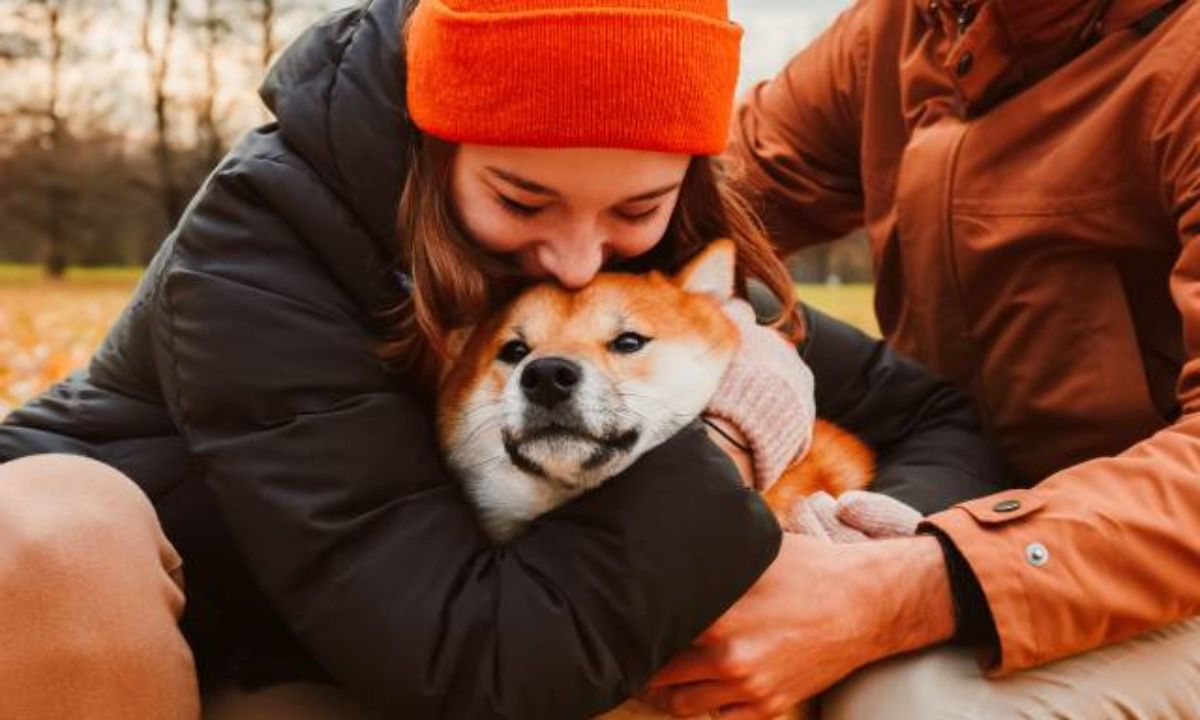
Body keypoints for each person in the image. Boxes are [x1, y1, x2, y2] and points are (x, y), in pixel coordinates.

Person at [0, 0, 1010, 717]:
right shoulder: (262, 254)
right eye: (522, 200)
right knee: (45, 526)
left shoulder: (651, 279)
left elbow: (928, 416)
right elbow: (475, 673)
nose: (577, 255)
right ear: (434, 147)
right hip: (169, 632)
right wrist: (728, 444)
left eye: (636, 209)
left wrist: (867, 558)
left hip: (396, 650)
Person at [641, 0, 1200, 717]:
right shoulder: (899, 31)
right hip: (968, 509)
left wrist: (904, 589)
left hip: (1161, 574)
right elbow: (675, 212)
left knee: (905, 704)